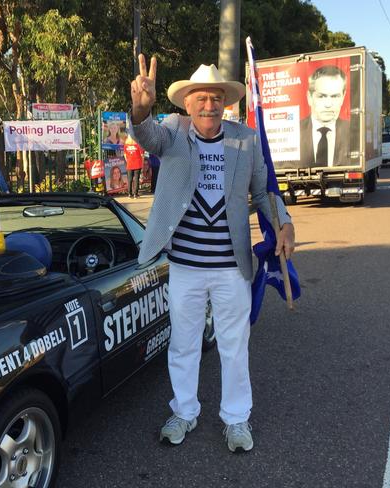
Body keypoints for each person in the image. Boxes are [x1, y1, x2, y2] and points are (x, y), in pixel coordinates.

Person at [130, 55, 295, 452]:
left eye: (215, 97)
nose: (209, 105)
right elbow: (145, 135)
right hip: (185, 266)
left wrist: (285, 221)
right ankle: (184, 412)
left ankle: (237, 419)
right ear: (187, 103)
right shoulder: (172, 130)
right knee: (184, 342)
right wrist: (141, 108)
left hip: (230, 268)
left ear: (226, 102)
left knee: (234, 345)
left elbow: (263, 192)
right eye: (201, 98)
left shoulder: (246, 139)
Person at [299, 65, 350, 168]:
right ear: (310, 97)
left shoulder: (353, 132)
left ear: (343, 97)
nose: (328, 104)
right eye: (321, 96)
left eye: (335, 96)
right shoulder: (294, 131)